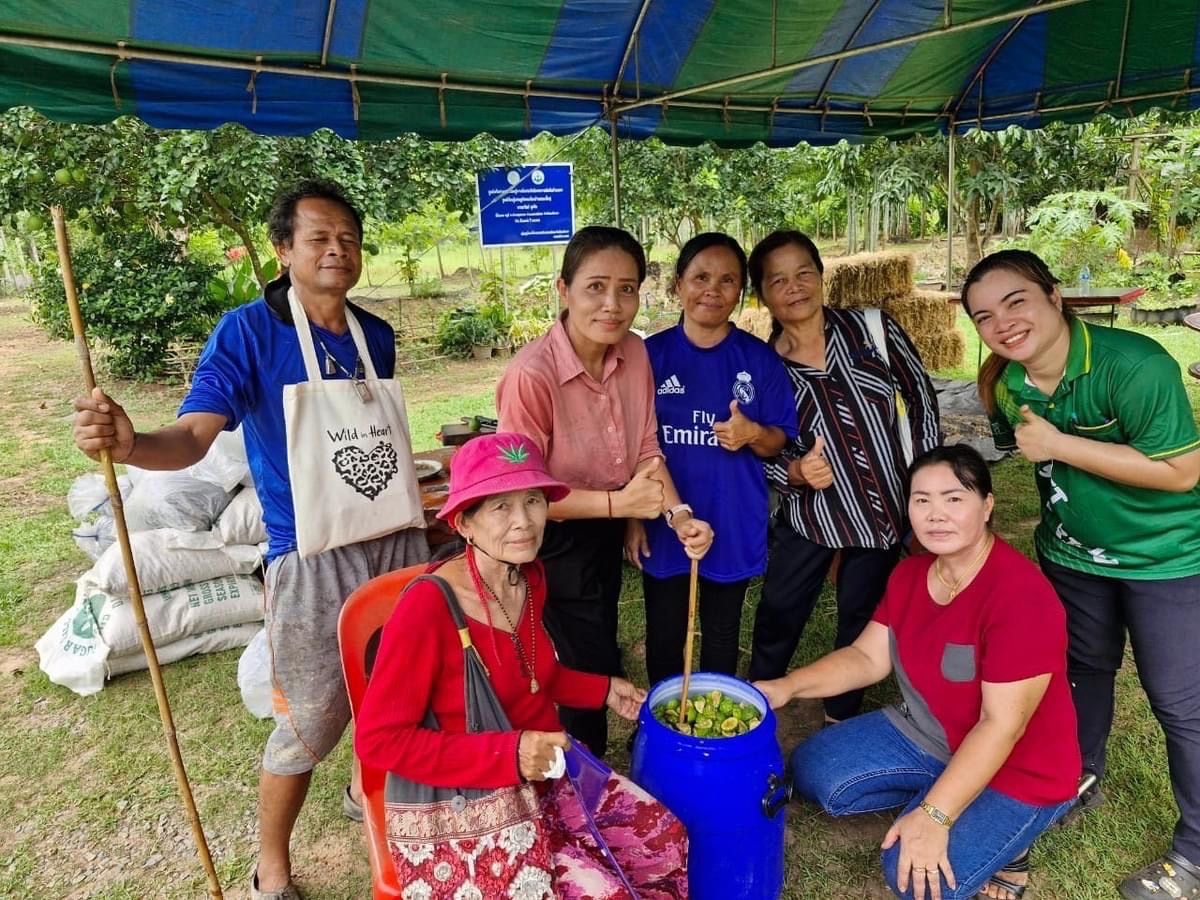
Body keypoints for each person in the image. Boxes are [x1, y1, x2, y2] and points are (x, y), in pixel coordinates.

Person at [71, 180, 429, 900]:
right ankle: (271, 864)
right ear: (283, 248)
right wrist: (132, 441)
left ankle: (371, 788)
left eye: (349, 238)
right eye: (320, 237)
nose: (338, 249)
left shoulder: (374, 334)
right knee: (310, 719)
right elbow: (193, 439)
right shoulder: (247, 333)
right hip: (311, 556)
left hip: (394, 542)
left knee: (398, 692)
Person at [355, 432, 688, 898]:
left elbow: (535, 678)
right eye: (499, 507)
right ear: (463, 524)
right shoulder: (428, 609)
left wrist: (604, 690)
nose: (524, 523)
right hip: (471, 798)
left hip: (546, 772)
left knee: (662, 838)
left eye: (533, 501)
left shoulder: (528, 575)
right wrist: (509, 754)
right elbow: (378, 741)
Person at [962, 249, 1200, 900]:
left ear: (1054, 294)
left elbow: (1183, 472)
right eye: (985, 316)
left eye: (1016, 301)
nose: (1004, 323)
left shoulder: (1136, 367)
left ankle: (1196, 855)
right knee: (1081, 671)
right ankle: (1078, 775)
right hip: (1071, 559)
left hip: (1164, 560)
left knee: (1180, 704)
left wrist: (1061, 444)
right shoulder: (1008, 384)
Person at [756, 444, 1080, 900]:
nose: (935, 514)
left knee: (912, 882)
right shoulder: (911, 574)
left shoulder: (1020, 596)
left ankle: (1010, 840)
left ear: (987, 506)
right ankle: (950, 789)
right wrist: (787, 686)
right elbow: (868, 658)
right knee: (812, 770)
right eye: (921, 500)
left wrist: (933, 815)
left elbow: (1001, 725)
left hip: (1017, 765)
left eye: (954, 498)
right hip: (932, 735)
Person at [496, 225, 714, 757]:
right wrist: (622, 505)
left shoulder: (634, 354)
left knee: (594, 635)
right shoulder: (531, 376)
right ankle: (580, 769)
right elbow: (521, 494)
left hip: (601, 528)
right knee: (571, 663)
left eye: (627, 288)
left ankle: (585, 752)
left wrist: (679, 514)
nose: (613, 305)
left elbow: (646, 449)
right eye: (596, 287)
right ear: (562, 289)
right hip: (542, 541)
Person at [746, 229, 940, 723]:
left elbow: (920, 398)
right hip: (812, 512)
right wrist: (792, 469)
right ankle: (756, 702)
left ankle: (841, 714)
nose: (794, 287)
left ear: (821, 275)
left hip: (881, 506)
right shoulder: (763, 367)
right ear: (762, 293)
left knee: (859, 613)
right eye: (778, 280)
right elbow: (759, 440)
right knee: (779, 612)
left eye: (804, 273)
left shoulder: (873, 329)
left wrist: (923, 481)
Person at [624, 232, 797, 686]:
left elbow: (779, 440)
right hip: (665, 520)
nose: (712, 290)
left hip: (733, 517)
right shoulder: (648, 357)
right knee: (665, 632)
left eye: (727, 280)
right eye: (700, 277)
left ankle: (713, 734)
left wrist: (753, 433)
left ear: (740, 293)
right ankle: (662, 729)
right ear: (678, 284)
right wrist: (634, 516)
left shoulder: (758, 360)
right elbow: (631, 447)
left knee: (722, 632)